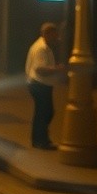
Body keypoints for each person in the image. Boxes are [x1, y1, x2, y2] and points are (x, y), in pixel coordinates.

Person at [25, 22, 66, 150]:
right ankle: (41, 141)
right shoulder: (42, 48)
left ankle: (38, 139)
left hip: (38, 83)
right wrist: (57, 69)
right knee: (45, 112)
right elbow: (40, 69)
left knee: (43, 112)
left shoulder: (40, 46)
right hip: (40, 84)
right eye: (54, 34)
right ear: (47, 34)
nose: (56, 37)